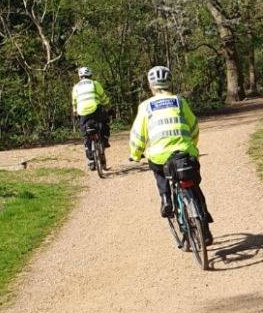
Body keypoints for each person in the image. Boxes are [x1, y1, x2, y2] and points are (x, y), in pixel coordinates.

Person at [129, 65, 213, 240]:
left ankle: (166, 198)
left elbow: (138, 135)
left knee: (159, 170)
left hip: (160, 155)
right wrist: (191, 145)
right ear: (169, 83)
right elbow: (193, 127)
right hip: (184, 152)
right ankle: (204, 220)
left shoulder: (146, 106)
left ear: (150, 85)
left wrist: (136, 154)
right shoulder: (180, 102)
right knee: (193, 183)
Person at [72, 66, 111, 170]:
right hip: (96, 109)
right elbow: (103, 97)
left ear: (80, 77)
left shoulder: (76, 87)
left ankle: (91, 161)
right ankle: (105, 140)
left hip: (83, 113)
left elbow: (74, 103)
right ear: (90, 75)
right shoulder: (95, 84)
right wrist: (107, 105)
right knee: (104, 122)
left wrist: (76, 113)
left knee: (85, 135)